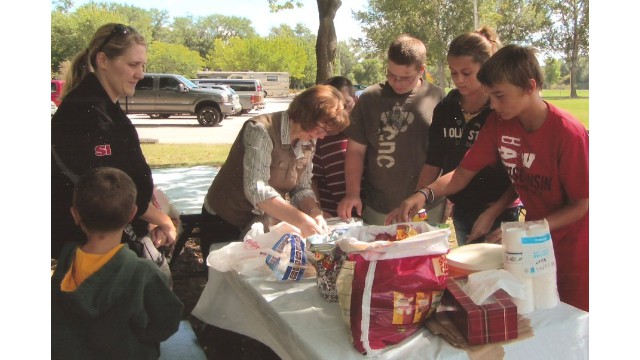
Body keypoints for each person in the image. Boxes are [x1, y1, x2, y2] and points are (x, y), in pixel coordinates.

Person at [392, 44, 588, 312]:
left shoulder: (568, 133)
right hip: (533, 244)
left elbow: (581, 205)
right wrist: (423, 194)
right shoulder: (499, 124)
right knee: (534, 312)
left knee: (573, 320)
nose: (493, 106)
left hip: (576, 249)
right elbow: (462, 174)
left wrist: (523, 231)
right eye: (490, 97)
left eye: (499, 96)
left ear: (530, 86)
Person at [51, 23, 177, 261]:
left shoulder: (104, 106)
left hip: (117, 236)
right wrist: (161, 219)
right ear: (103, 60)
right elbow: (110, 192)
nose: (140, 74)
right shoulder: (87, 114)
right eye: (132, 65)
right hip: (96, 248)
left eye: (142, 65)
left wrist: (151, 217)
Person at [385, 27, 522, 245]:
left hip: (501, 209)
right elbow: (436, 162)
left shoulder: (501, 110)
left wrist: (496, 209)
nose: (459, 80)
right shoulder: (446, 108)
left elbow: (520, 171)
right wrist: (418, 198)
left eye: (466, 73)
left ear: (486, 67)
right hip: (463, 206)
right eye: (453, 73)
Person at [200, 85, 350, 254]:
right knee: (224, 275)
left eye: (327, 132)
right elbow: (257, 189)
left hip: (257, 223)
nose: (322, 136)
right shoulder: (260, 129)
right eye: (322, 128)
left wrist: (314, 212)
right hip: (224, 219)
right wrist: (302, 221)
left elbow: (302, 187)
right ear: (307, 114)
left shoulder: (309, 139)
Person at [51, 167, 183, 359]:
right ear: (132, 214)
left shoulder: (67, 259)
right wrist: (139, 340)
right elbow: (167, 322)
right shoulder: (143, 272)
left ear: (75, 214)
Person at [336, 34, 446, 226]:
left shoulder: (437, 97)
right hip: (379, 207)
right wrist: (352, 193)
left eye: (405, 78)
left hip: (425, 206)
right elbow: (355, 151)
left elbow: (445, 154)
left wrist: (448, 197)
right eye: (391, 75)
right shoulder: (370, 98)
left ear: (421, 70)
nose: (396, 82)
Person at [311, 76, 357, 217]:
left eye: (346, 105)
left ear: (355, 100)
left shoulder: (366, 131)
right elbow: (311, 179)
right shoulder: (318, 136)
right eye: (334, 108)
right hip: (334, 220)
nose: (341, 113)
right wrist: (318, 210)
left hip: (369, 216)